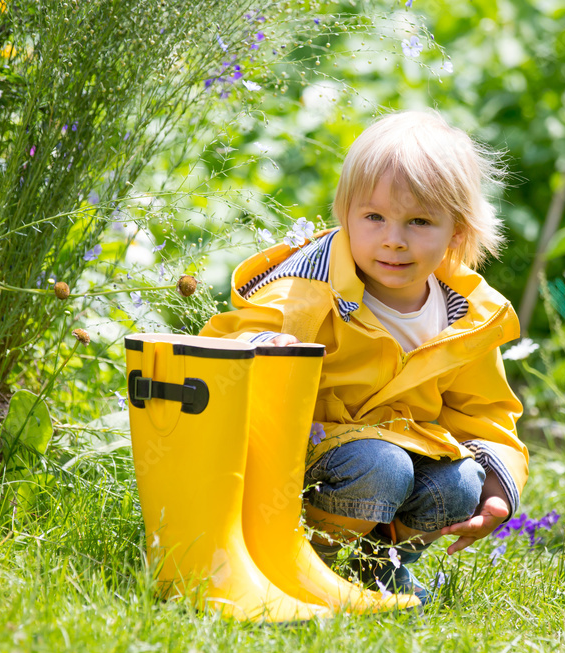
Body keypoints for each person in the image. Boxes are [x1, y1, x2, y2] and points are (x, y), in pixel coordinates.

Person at [200, 109, 528, 604]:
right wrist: (262, 349)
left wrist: (499, 487)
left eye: (418, 221)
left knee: (461, 480)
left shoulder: (465, 316)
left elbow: (485, 413)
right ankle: (308, 559)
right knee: (383, 465)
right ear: (345, 215)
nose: (393, 239)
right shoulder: (307, 288)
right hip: (305, 465)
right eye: (374, 217)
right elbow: (234, 341)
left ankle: (384, 566)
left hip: (397, 457)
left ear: (456, 233)